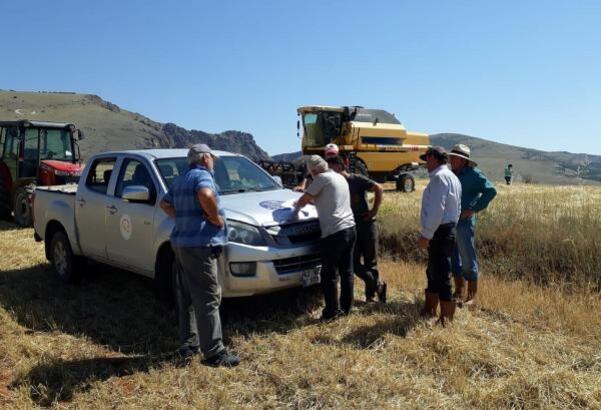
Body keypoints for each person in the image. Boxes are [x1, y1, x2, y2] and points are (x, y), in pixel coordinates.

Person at [159, 144, 240, 367]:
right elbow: (205, 194)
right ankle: (214, 352)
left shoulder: (181, 179)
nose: (213, 162)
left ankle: (189, 344)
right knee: (208, 297)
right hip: (201, 245)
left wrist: (184, 218)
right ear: (205, 158)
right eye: (212, 158)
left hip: (181, 243)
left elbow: (164, 203)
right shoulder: (203, 177)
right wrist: (216, 219)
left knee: (186, 297)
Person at [294, 155, 356, 320]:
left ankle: (330, 313)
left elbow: (303, 200)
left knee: (329, 275)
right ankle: (346, 308)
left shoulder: (321, 178)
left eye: (311, 173)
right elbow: (328, 200)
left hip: (334, 232)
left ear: (313, 171)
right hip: (350, 227)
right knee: (347, 271)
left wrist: (295, 204)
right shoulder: (339, 176)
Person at [326, 155, 387, 303]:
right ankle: (378, 285)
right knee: (353, 262)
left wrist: (374, 211)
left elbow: (378, 188)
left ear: (339, 167)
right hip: (351, 227)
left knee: (370, 261)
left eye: (331, 168)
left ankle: (370, 296)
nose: (329, 172)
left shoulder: (356, 180)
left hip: (367, 225)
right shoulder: (335, 185)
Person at [448, 144, 497, 306]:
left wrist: (473, 209)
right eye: (451, 157)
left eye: (455, 158)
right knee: (454, 257)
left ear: (463, 161)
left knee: (468, 257)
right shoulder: (450, 174)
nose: (451, 160)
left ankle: (472, 296)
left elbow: (491, 191)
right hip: (450, 222)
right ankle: (458, 292)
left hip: (464, 223)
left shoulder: (474, 175)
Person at [418, 146, 462, 325]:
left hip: (439, 231)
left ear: (433, 158)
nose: (425, 163)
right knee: (434, 270)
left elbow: (436, 210)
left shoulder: (438, 178)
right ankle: (430, 310)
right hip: (447, 229)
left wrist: (426, 234)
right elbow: (457, 208)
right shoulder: (452, 177)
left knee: (441, 273)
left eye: (426, 159)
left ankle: (445, 319)